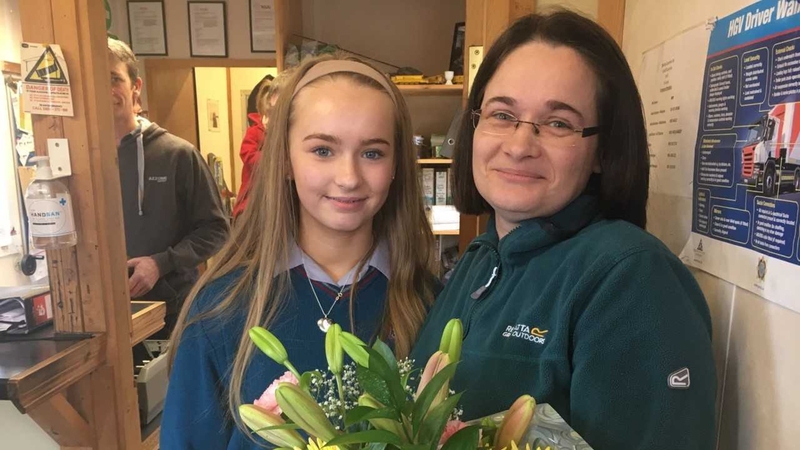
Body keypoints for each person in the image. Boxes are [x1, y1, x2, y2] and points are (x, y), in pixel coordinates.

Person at [410, 10, 716, 450]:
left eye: (558, 123)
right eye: (501, 114)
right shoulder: (481, 257)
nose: (518, 146)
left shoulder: (632, 280)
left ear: (602, 152)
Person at [161, 55, 438, 449]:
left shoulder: (431, 304)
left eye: (372, 153)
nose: (348, 177)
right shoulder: (220, 308)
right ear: (286, 160)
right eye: (323, 150)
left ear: (397, 166)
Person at [108, 38, 230, 337]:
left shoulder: (177, 154)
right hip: (103, 315)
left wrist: (160, 264)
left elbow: (216, 229)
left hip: (169, 311)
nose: (103, 89)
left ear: (135, 86)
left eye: (113, 79)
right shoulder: (80, 157)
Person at [232, 74, 274, 220]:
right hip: (250, 204)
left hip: (273, 204)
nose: (269, 120)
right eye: (267, 115)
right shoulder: (254, 132)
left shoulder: (284, 135)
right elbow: (247, 154)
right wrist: (273, 161)